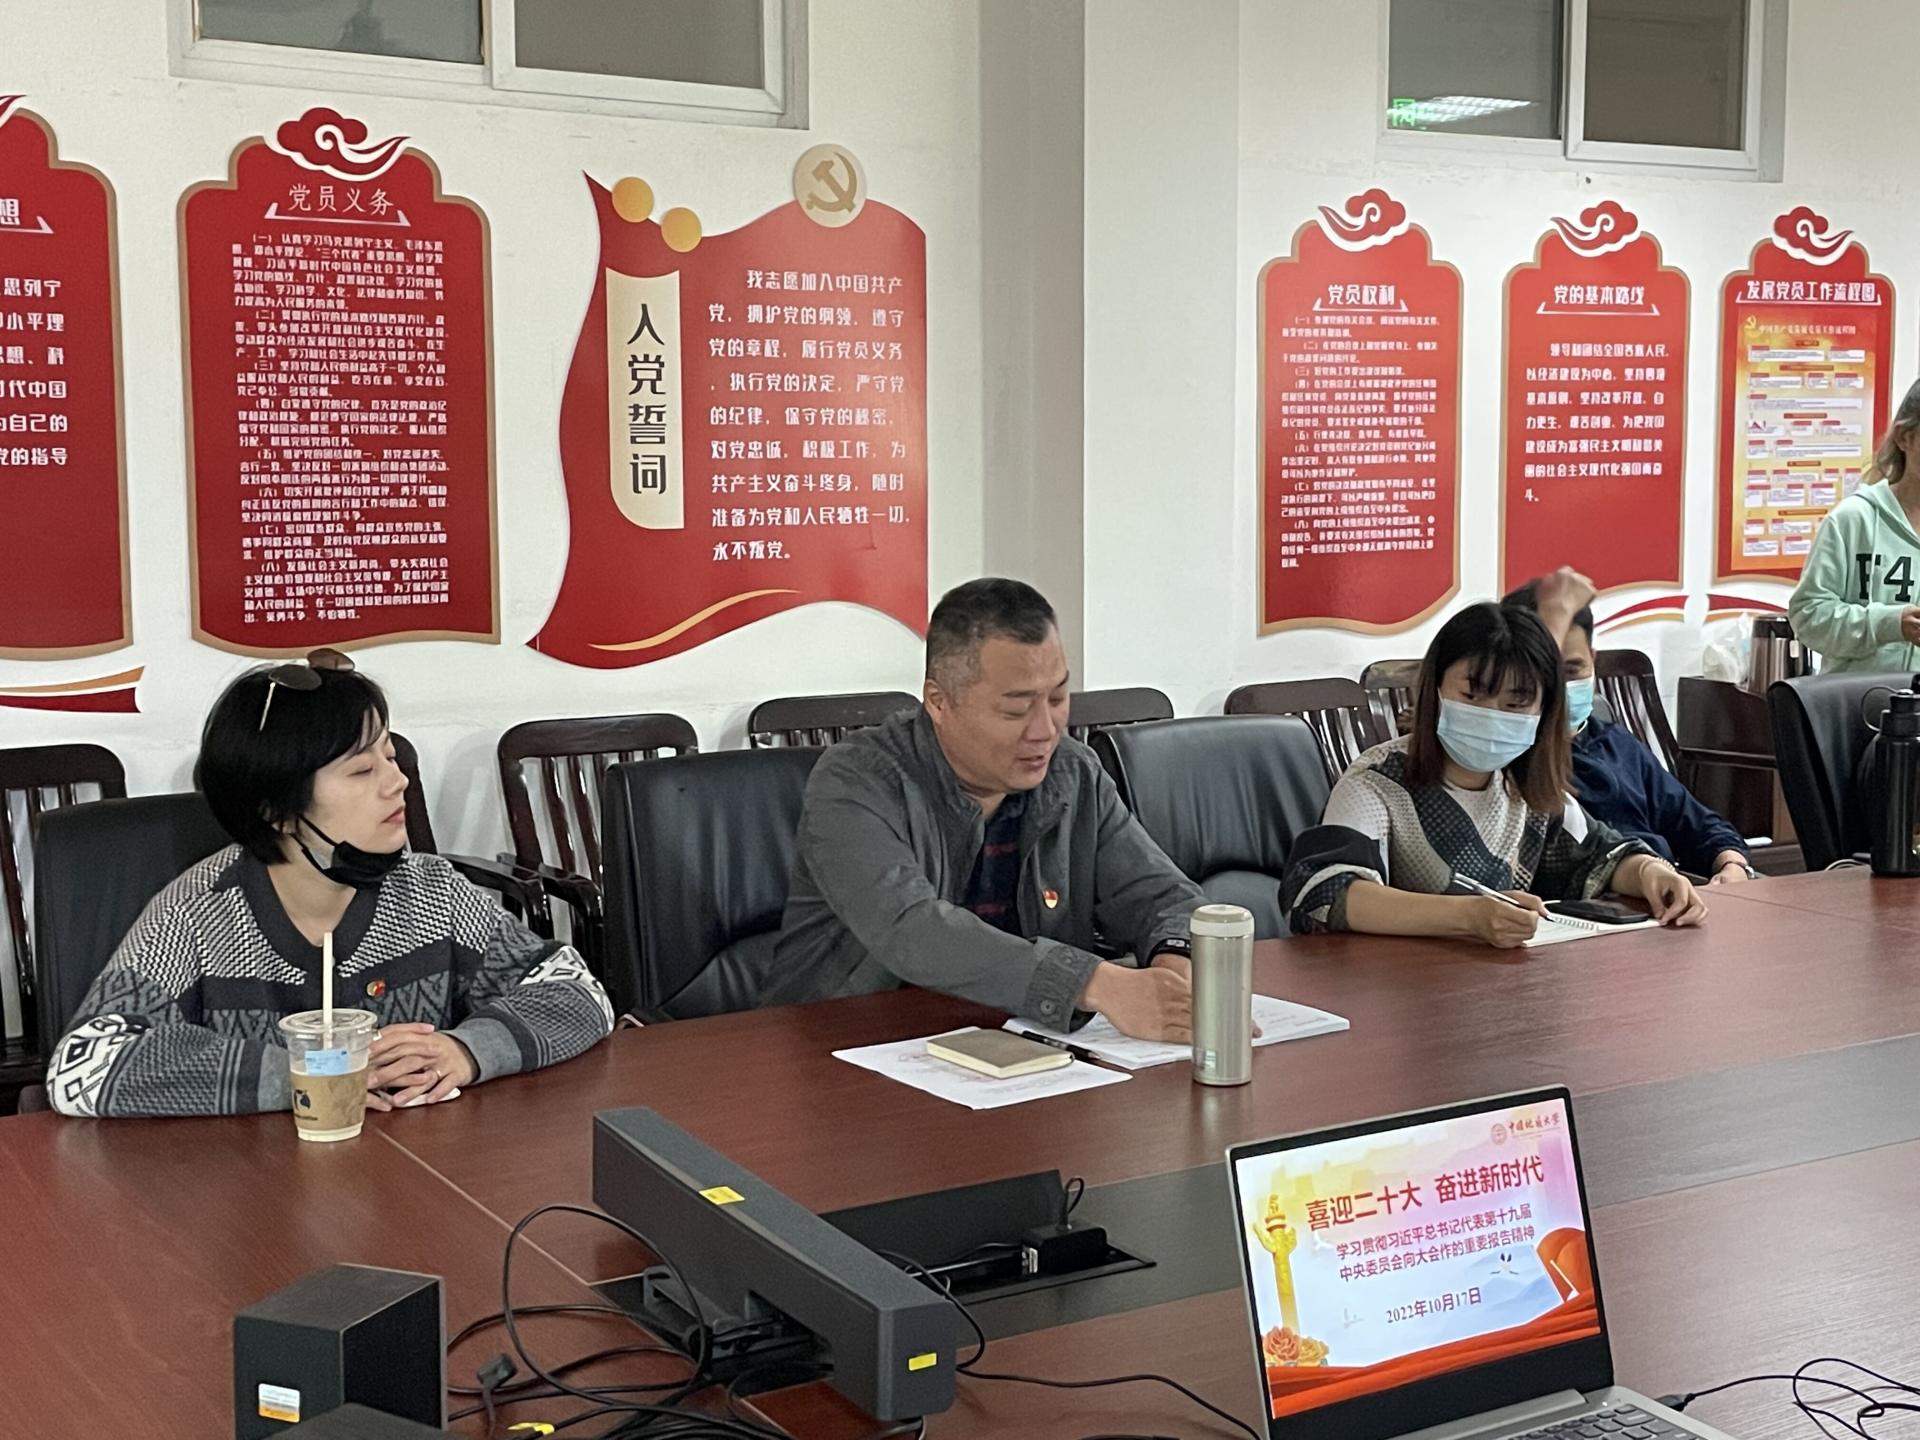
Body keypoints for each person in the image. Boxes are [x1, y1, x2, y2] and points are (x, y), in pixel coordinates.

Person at [45, 652, 614, 1118]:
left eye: (391, 757)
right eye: (363, 770)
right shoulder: (194, 916)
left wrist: (466, 1050)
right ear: (276, 809)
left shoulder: (432, 891)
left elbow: (579, 993)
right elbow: (85, 1067)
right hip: (252, 1194)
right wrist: (312, 1075)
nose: (398, 782)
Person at [771, 578, 1205, 1039]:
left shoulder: (1072, 773)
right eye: (1016, 710)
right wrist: (1093, 983)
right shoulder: (856, 780)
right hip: (848, 1045)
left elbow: (1166, 898)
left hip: (1018, 1047)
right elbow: (912, 930)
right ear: (939, 702)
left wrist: (1174, 971)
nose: (1045, 730)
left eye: (1057, 698)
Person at [1282, 601, 1706, 946]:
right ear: (1435, 689)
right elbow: (1324, 891)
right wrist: (1469, 916)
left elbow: (1602, 856)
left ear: (1543, 711)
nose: (1492, 715)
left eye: (1516, 704)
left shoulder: (1524, 785)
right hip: (1394, 992)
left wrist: (1651, 873)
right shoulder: (1377, 781)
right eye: (1473, 695)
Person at [1505, 571, 1756, 884]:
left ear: (1593, 660)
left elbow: (1696, 823)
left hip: (1664, 891)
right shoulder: (1509, 759)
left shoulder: (1616, 743)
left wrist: (1732, 865)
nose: (1560, 687)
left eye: (1573, 670)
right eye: (1545, 672)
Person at [1789, 378, 1920, 673]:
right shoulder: (1853, 519)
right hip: (1858, 700)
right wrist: (1889, 623)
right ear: (1905, 438)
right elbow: (1807, 617)